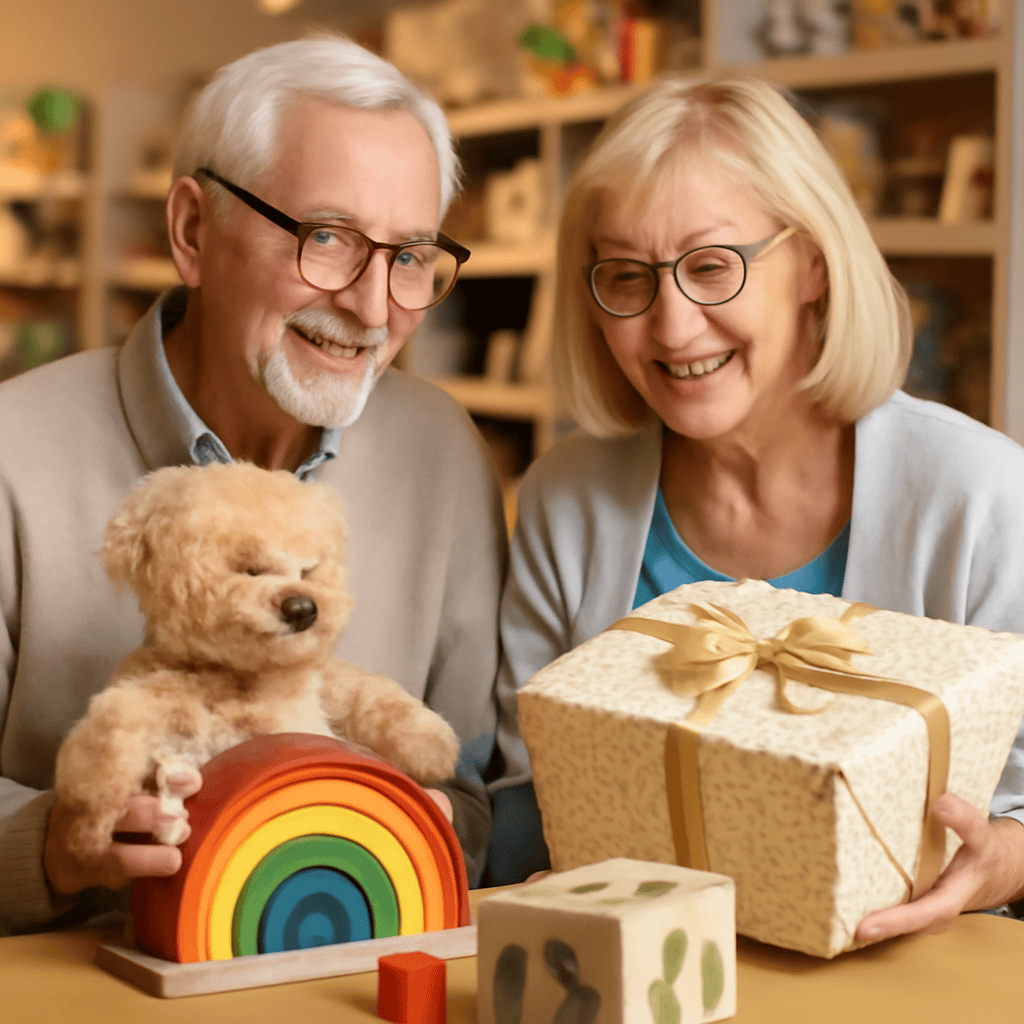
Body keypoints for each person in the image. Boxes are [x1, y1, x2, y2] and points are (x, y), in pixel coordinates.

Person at [488, 75, 1024, 937]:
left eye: (711, 267)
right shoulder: (568, 498)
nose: (670, 327)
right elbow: (525, 786)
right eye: (626, 277)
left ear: (812, 263)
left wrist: (995, 858)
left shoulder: (983, 496)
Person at [0, 35, 508, 936]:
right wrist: (52, 846)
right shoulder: (12, 453)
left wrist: (429, 830)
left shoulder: (445, 453)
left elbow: (465, 788)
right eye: (326, 238)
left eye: (411, 256)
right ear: (194, 231)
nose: (371, 304)